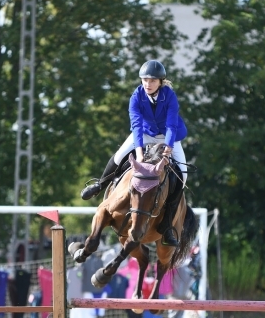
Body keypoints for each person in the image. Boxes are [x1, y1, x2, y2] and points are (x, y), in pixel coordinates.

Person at [80, 60, 188, 246]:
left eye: (152, 80)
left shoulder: (169, 96)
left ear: (161, 82)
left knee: (182, 176)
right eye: (145, 80)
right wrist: (138, 153)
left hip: (168, 135)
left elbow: (171, 125)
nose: (148, 84)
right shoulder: (136, 96)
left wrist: (167, 150)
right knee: (119, 155)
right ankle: (100, 184)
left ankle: (168, 222)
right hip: (144, 134)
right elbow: (137, 127)